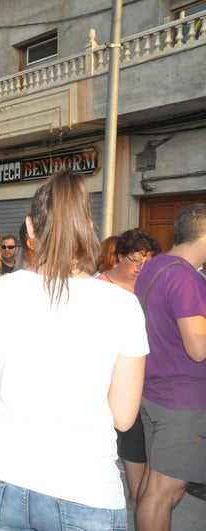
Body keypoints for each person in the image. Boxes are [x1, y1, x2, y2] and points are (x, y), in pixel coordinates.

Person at [0, 169, 148, 530]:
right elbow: (124, 417)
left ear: (30, 230)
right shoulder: (123, 305)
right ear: (89, 227)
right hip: (85, 491)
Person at [134, 204, 206, 531]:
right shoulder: (186, 277)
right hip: (181, 400)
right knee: (165, 491)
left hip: (156, 391)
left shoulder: (156, 266)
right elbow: (199, 348)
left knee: (156, 486)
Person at [95, 228, 161, 508]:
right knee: (129, 438)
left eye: (147, 262)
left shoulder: (150, 287)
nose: (141, 268)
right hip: (111, 380)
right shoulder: (97, 288)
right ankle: (134, 498)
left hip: (150, 378)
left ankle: (140, 499)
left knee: (146, 444)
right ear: (119, 257)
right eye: (136, 260)